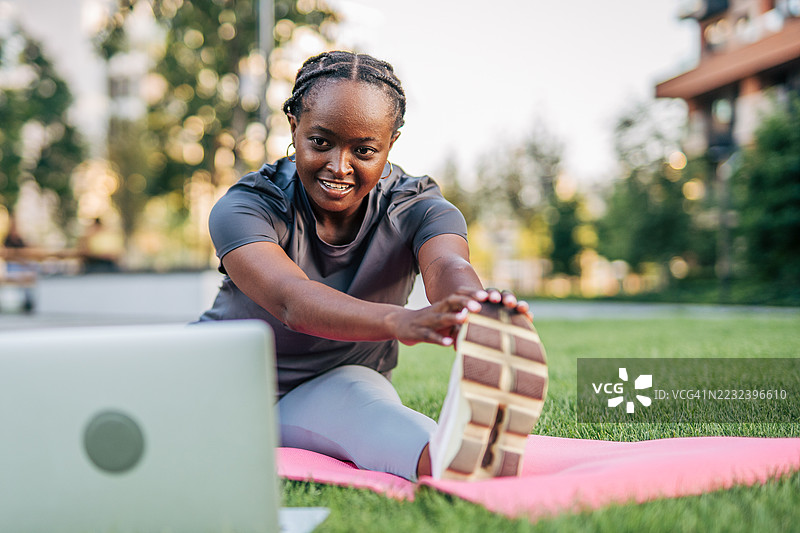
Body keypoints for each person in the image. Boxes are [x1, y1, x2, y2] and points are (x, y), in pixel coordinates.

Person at [198, 51, 543, 481]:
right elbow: (292, 301)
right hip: (219, 383)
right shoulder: (248, 205)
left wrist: (473, 307)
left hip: (335, 385)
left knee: (370, 414)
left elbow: (446, 264)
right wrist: (401, 321)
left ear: (391, 144)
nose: (339, 166)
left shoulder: (419, 206)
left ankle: (454, 455)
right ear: (294, 126)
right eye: (320, 142)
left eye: (363, 150)